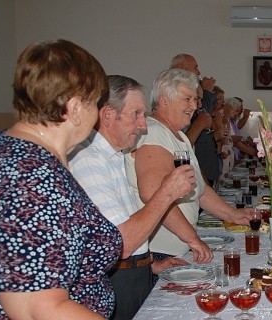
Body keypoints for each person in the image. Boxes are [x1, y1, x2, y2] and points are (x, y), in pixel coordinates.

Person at [0, 39, 119, 318]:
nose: (97, 114)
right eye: (96, 103)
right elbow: (40, 309)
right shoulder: (33, 177)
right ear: (75, 108)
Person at [69, 75, 194, 320]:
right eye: (135, 114)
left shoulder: (113, 156)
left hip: (134, 273)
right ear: (107, 115)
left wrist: (149, 265)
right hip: (115, 286)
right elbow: (122, 242)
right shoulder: (89, 161)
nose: (143, 125)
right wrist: (167, 192)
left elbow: (115, 227)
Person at [126, 68, 253, 265]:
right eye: (187, 99)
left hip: (177, 249)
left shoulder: (180, 136)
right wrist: (192, 238)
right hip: (160, 252)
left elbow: (200, 190)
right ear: (164, 100)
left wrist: (232, 214)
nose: (194, 106)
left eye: (196, 99)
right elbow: (153, 193)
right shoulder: (153, 132)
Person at [171, 53, 221, 186]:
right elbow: (181, 147)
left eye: (197, 100)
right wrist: (208, 93)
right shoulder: (161, 127)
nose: (199, 72)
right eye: (195, 67)